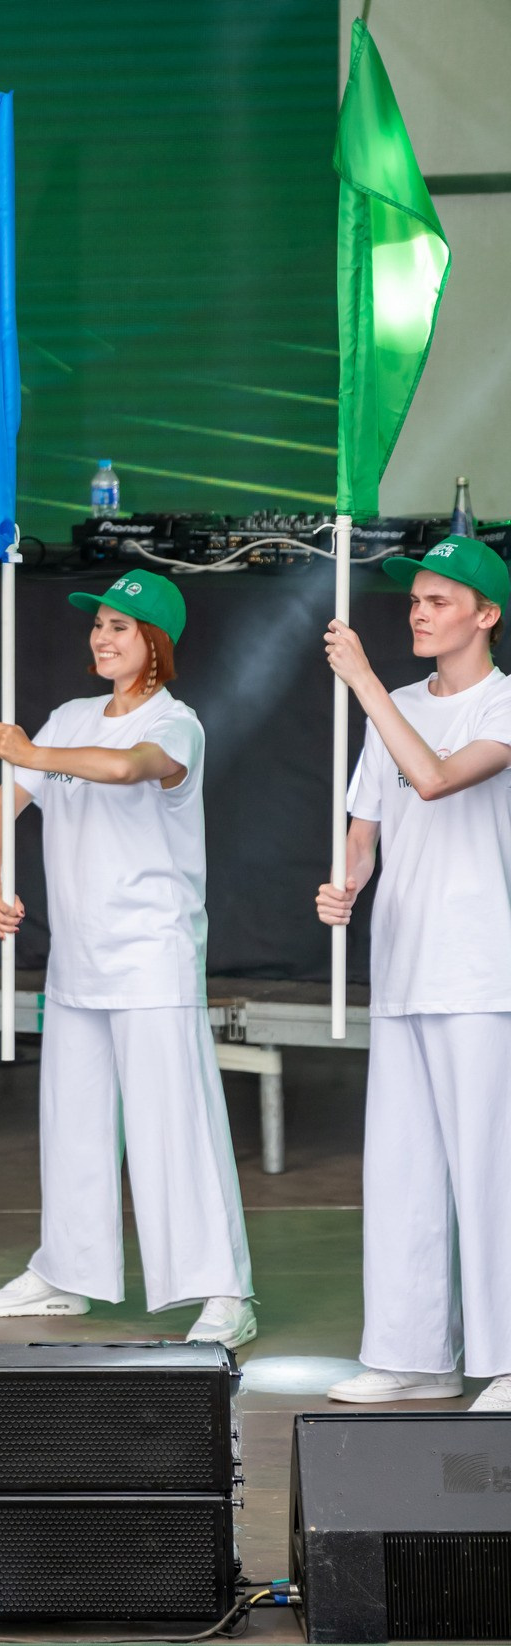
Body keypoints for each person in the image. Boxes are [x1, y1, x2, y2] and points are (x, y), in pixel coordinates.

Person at [0, 571, 256, 1346]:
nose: (101, 637)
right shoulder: (67, 717)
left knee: (174, 1124)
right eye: (97, 624)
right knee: (74, 1122)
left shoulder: (177, 723)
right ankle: (66, 1270)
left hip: (153, 957)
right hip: (77, 960)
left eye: (120, 628)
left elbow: (131, 768)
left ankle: (223, 1291)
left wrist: (38, 751)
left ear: (155, 643)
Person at [316, 534, 511, 1412]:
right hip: (400, 966)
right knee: (401, 1169)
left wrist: (359, 681)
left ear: (486, 615)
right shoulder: (392, 702)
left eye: (439, 601)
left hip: (480, 972)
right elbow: (370, 822)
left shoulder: (504, 707)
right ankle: (412, 1352)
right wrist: (348, 881)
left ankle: (507, 1361)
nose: (419, 613)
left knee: (489, 1172)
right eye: (415, 600)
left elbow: (431, 779)